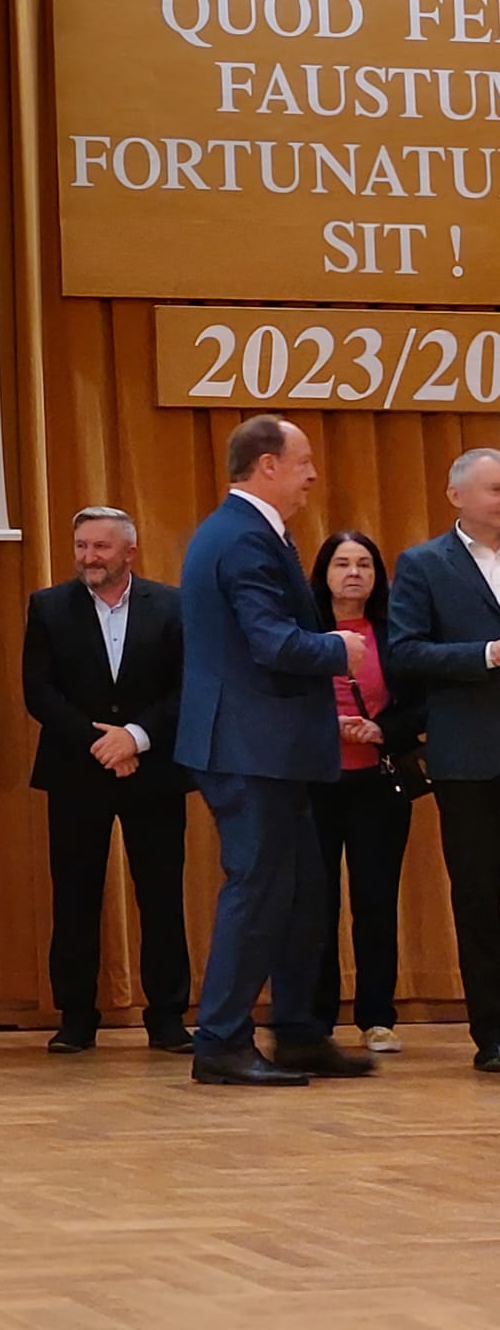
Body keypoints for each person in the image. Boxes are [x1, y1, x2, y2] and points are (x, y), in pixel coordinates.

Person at [176, 415, 373, 1087]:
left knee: (302, 893)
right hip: (249, 746)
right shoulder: (242, 538)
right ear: (267, 466)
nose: (312, 475)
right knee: (258, 891)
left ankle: (298, 1033)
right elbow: (271, 642)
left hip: (267, 747)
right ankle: (221, 1042)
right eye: (303, 461)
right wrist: (338, 648)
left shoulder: (248, 532)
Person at [22, 506, 192, 1054]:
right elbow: (39, 691)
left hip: (154, 770)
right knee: (75, 898)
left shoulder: (173, 606)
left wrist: (135, 738)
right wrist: (102, 744)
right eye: (81, 546)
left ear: (129, 552)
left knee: (161, 898)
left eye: (100, 546)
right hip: (77, 771)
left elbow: (188, 686)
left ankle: (167, 1017)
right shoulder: (49, 607)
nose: (88, 557)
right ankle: (76, 1018)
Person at [388, 447, 500, 1074]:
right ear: (457, 496)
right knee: (481, 894)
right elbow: (404, 652)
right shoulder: (424, 564)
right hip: (469, 758)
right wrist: (485, 654)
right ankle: (494, 1032)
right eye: (496, 489)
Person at [307, 530, 424, 1055]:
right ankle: (315, 1017)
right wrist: (326, 726)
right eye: (342, 563)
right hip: (315, 780)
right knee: (316, 901)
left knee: (376, 901)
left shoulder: (395, 633)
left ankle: (377, 1017)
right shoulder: (302, 631)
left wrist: (383, 730)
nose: (354, 573)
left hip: (378, 780)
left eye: (364, 564)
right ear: (324, 574)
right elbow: (279, 697)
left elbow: (422, 701)